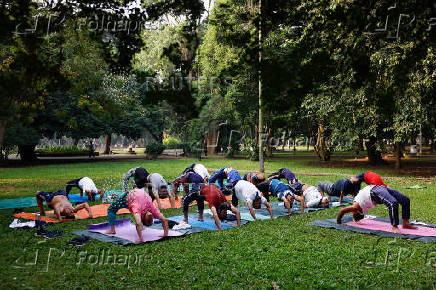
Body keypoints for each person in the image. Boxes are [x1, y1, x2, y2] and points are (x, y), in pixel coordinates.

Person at [336, 185, 417, 234]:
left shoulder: (355, 207)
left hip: (375, 191)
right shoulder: (360, 209)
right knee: (405, 200)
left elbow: (342, 210)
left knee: (393, 203)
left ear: (355, 212)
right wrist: (355, 219)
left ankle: (397, 226)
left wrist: (339, 223)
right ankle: (403, 224)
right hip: (379, 190)